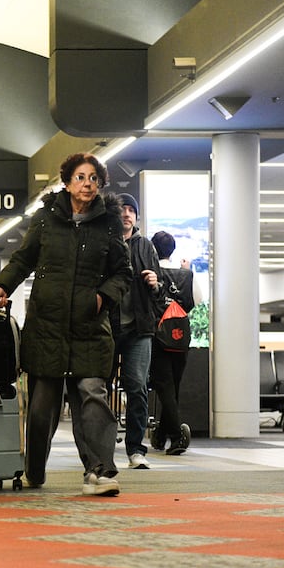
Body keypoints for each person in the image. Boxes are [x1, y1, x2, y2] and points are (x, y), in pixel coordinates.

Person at [0, 153, 132, 496]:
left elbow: (122, 273)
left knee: (92, 398)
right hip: (47, 328)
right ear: (67, 182)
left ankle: (100, 470)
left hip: (89, 328)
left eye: (94, 178)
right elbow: (24, 259)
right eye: (81, 177)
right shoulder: (45, 219)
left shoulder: (110, 223)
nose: (87, 184)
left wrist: (101, 298)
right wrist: (2, 287)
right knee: (41, 410)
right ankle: (34, 469)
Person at [110, 193, 163, 470]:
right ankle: (102, 448)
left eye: (131, 210)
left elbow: (160, 289)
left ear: (137, 217)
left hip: (140, 328)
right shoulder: (105, 242)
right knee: (100, 388)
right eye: (123, 209)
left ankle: (135, 450)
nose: (127, 214)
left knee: (137, 388)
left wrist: (155, 282)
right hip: (107, 326)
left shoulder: (146, 246)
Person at [149, 230, 201, 455]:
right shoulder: (186, 275)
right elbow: (196, 300)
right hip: (181, 335)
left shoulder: (152, 274)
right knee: (172, 387)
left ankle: (177, 435)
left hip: (157, 336)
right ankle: (161, 435)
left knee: (164, 386)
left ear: (152, 249)